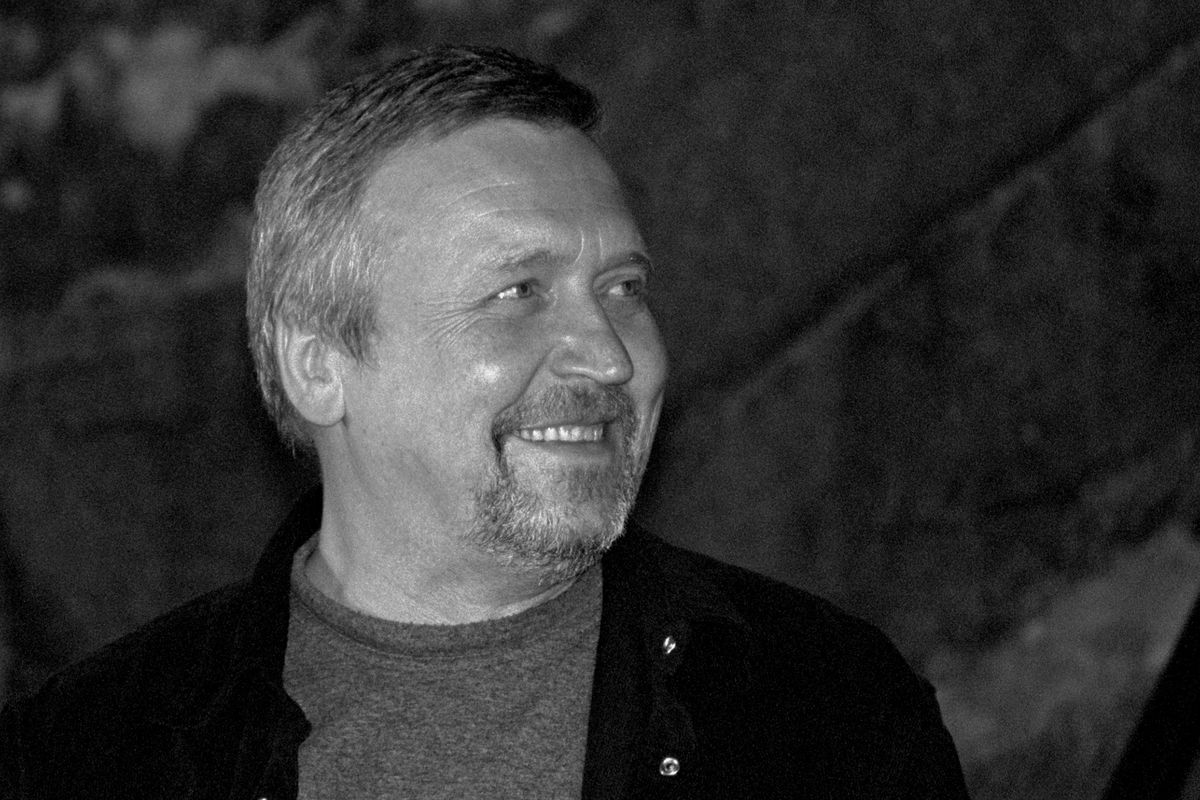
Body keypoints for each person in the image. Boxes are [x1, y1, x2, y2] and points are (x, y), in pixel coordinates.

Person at [0, 45, 970, 798]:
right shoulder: (92, 754)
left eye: (624, 288)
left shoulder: (827, 713)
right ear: (318, 363)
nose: (610, 356)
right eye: (518, 291)